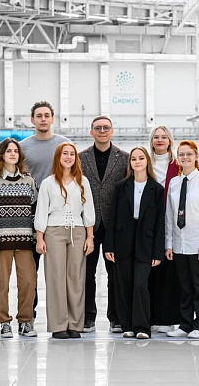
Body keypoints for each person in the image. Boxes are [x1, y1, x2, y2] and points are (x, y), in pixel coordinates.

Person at [34, 142, 95, 339]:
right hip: (53, 231)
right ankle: (59, 325)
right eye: (65, 154)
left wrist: (90, 237)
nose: (68, 157)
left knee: (76, 277)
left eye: (72, 154)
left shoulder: (82, 182)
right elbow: (41, 211)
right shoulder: (48, 183)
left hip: (77, 231)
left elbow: (89, 210)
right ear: (58, 157)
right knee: (56, 277)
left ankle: (75, 324)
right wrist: (40, 238)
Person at [103, 147, 165, 339]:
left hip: (146, 243)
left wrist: (158, 252)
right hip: (122, 241)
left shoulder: (157, 189)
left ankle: (142, 327)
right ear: (130, 163)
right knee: (124, 284)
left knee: (140, 284)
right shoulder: (121, 187)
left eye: (141, 158)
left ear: (147, 161)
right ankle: (127, 325)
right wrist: (109, 245)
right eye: (133, 159)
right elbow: (112, 217)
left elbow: (160, 222)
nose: (137, 162)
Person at [0, 138, 38, 338]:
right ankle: (4, 322)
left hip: (25, 242)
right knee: (2, 284)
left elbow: (35, 212)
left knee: (28, 282)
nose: (13, 154)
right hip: (1, 243)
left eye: (15, 151)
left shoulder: (29, 181)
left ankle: (25, 321)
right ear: (1, 155)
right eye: (8, 151)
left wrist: (36, 239)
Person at [19, 101, 71, 321]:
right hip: (30, 214)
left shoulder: (64, 144)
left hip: (59, 214)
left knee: (60, 271)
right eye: (38, 115)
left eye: (46, 115)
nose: (43, 119)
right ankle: (28, 317)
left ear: (52, 118)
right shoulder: (22, 147)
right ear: (32, 120)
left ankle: (62, 317)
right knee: (30, 271)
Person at [79, 116, 128, 333]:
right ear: (91, 132)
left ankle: (116, 318)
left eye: (106, 128)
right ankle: (88, 317)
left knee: (115, 274)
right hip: (88, 224)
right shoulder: (80, 158)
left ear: (112, 131)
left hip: (113, 224)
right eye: (97, 128)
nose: (102, 131)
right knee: (86, 273)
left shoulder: (124, 158)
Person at [165, 141, 199, 339]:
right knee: (183, 286)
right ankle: (185, 324)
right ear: (177, 158)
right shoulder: (174, 183)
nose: (185, 158)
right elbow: (170, 216)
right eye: (181, 154)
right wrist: (169, 243)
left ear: (196, 156)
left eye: (189, 154)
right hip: (179, 243)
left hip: (197, 244)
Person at [147, 125, 182, 332]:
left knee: (170, 271)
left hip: (173, 221)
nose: (160, 140)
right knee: (151, 270)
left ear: (170, 141)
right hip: (150, 222)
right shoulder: (146, 163)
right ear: (151, 141)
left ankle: (168, 318)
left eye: (164, 137)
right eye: (156, 137)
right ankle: (151, 317)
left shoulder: (177, 165)